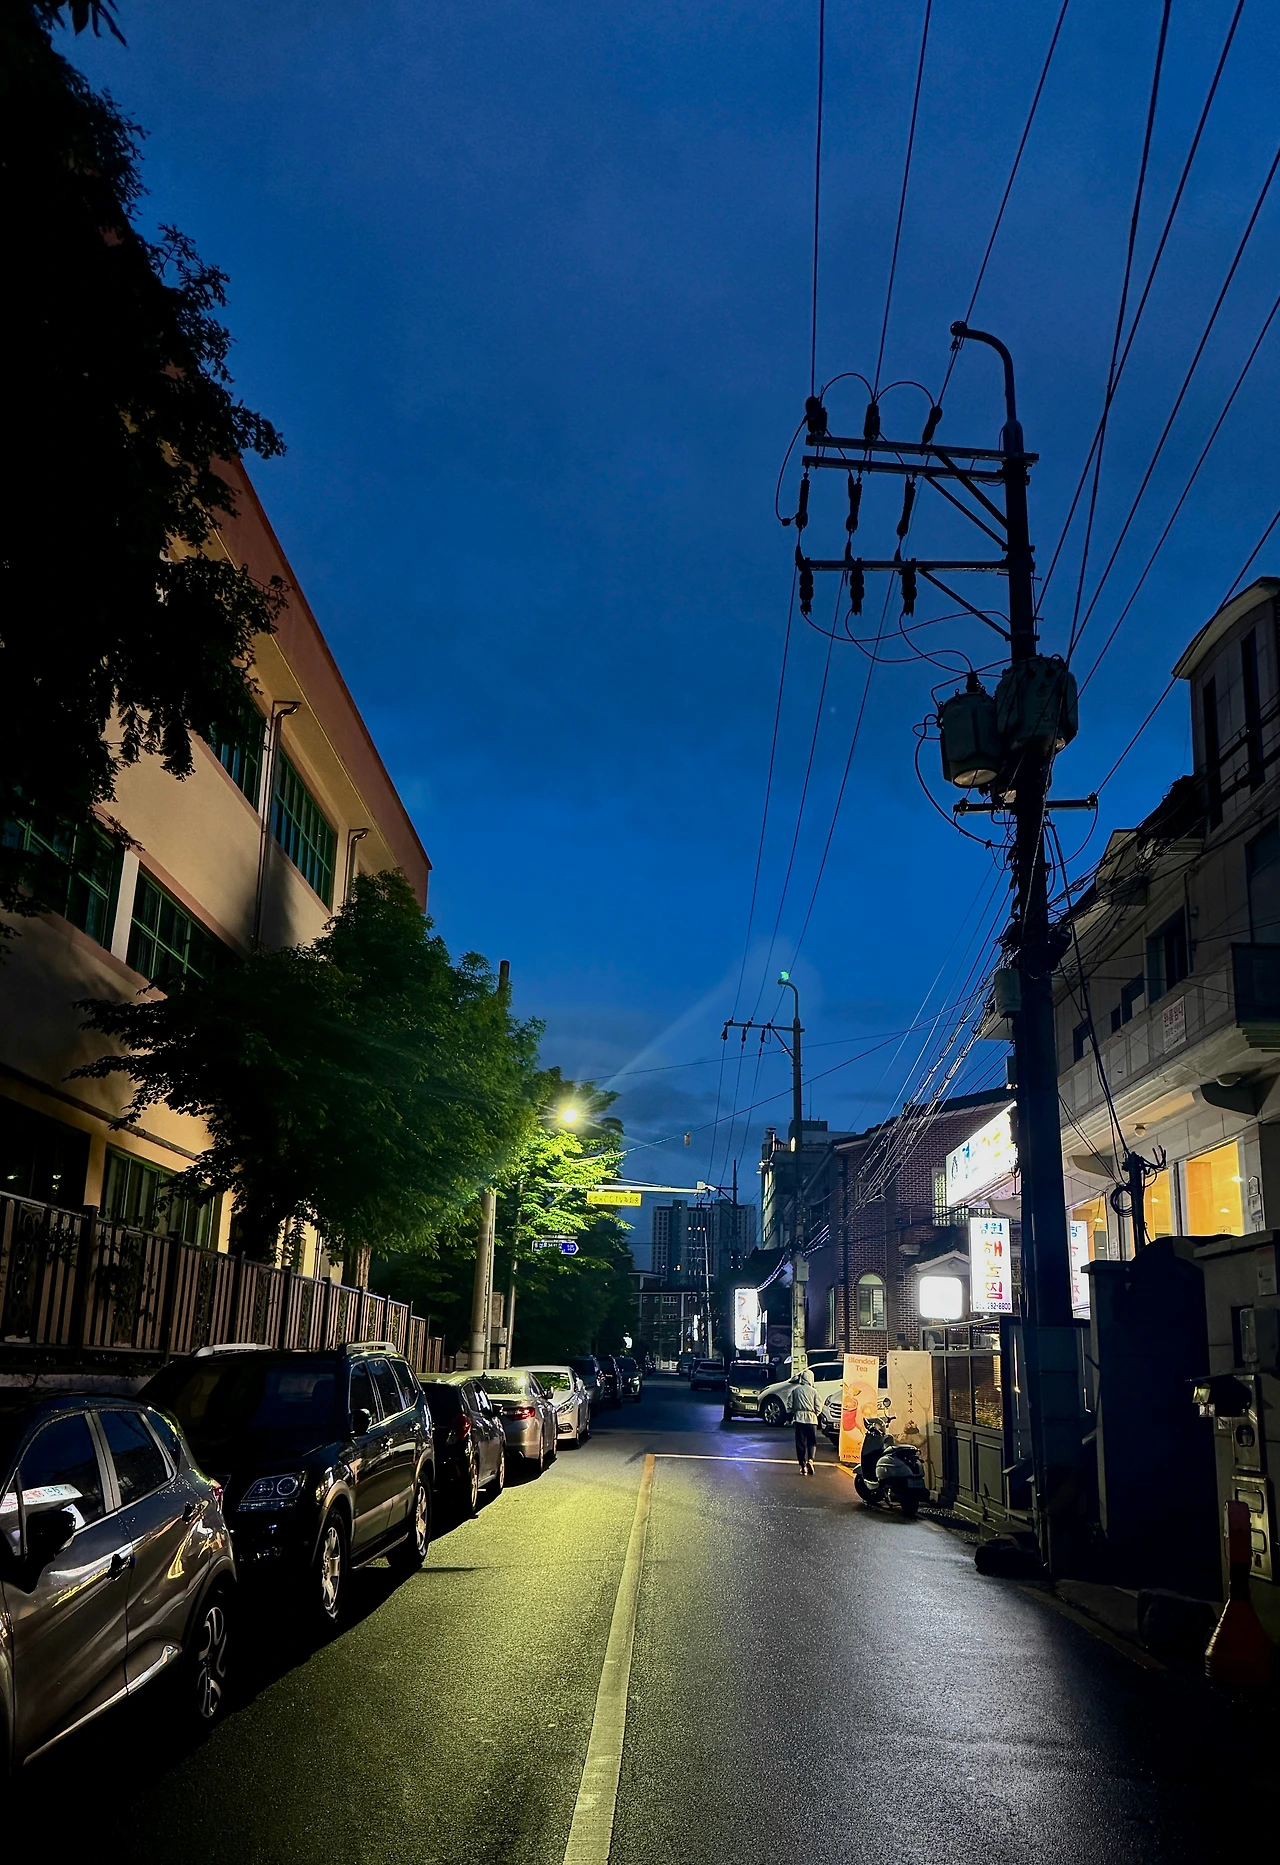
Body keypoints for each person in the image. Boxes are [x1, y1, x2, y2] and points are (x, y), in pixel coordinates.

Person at [788, 1367, 819, 1475]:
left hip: (799, 1419)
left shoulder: (795, 1391)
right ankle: (811, 1460)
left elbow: (789, 1405)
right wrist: (815, 1413)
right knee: (812, 1441)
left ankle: (803, 1465)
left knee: (800, 1443)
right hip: (812, 1419)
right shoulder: (814, 1392)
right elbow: (818, 1407)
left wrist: (794, 1412)